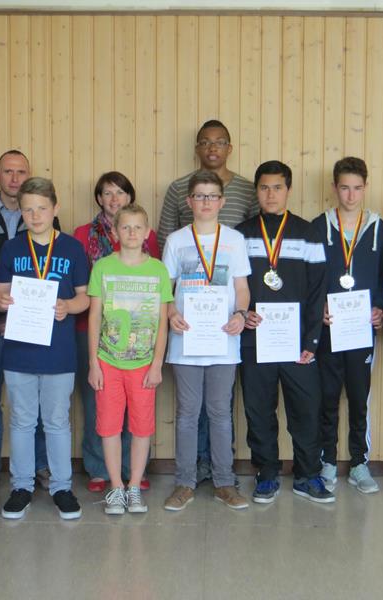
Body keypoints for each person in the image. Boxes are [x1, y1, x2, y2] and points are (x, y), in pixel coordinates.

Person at [157, 119, 258, 484]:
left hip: (223, 337)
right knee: (187, 413)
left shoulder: (234, 239)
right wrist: (171, 312)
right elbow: (165, 286)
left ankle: (224, 481)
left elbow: (242, 287)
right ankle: (185, 481)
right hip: (186, 337)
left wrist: (240, 314)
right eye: (199, 196)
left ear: (222, 202)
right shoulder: (176, 241)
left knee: (219, 413)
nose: (205, 202)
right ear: (189, 201)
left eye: (212, 197)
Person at [236, 160, 333, 505]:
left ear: (288, 190)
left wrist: (312, 341)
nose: (271, 194)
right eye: (264, 187)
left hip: (298, 344)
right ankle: (266, 473)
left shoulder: (308, 233)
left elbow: (318, 292)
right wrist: (242, 313)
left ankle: (308, 475)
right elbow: (231, 285)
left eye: (277, 187)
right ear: (256, 191)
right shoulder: (240, 234)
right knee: (258, 410)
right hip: (254, 340)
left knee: (305, 410)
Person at [0, 177, 89, 520]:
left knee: (56, 422)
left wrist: (68, 306)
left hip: (58, 352)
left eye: (42, 208)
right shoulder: (12, 248)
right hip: (19, 349)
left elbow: (85, 297)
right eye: (28, 209)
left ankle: (62, 487)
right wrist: (1, 301)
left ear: (55, 208)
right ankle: (21, 486)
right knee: (21, 421)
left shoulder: (72, 248)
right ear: (20, 211)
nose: (35, 216)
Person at [73, 172, 160, 494]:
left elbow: (155, 293)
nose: (114, 198)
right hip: (93, 332)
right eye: (107, 193)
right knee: (99, 406)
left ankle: (130, 472)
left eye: (120, 192)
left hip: (138, 340)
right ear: (99, 198)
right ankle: (100, 470)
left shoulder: (148, 241)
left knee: (136, 410)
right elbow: (80, 281)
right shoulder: (83, 234)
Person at [0, 150, 51, 488]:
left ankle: (41, 465)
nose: (14, 178)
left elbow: (50, 276)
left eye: (21, 172)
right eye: (8, 171)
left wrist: (24, 317)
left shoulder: (44, 216)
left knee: (37, 399)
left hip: (33, 326)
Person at [312, 157, 383, 494]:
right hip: (329, 329)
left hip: (361, 329)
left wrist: (380, 308)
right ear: (334, 187)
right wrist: (318, 308)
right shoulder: (319, 226)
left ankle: (359, 463)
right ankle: (327, 461)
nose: (350, 195)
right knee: (327, 398)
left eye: (357, 188)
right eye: (344, 187)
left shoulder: (378, 227)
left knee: (359, 398)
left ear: (365, 188)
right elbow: (310, 278)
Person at [87, 204, 172, 515]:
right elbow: (95, 317)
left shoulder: (158, 270)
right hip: (108, 362)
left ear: (147, 232)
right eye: (125, 227)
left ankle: (134, 486)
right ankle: (116, 487)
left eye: (138, 227)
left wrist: (157, 364)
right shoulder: (103, 267)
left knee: (141, 427)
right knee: (109, 427)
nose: (132, 233)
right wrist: (94, 363)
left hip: (143, 365)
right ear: (114, 232)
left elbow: (162, 322)